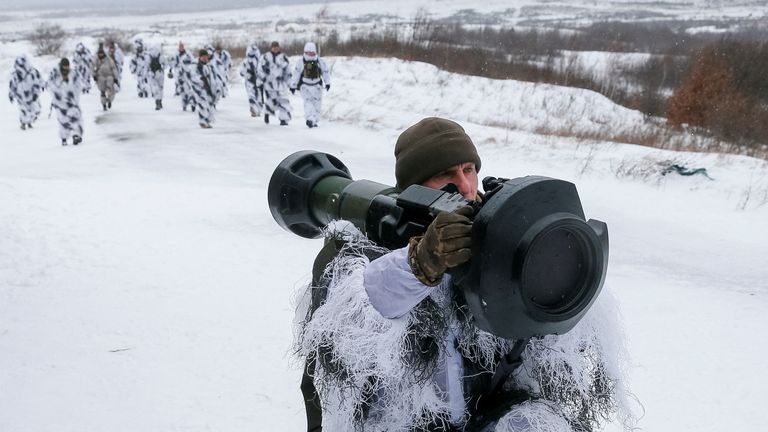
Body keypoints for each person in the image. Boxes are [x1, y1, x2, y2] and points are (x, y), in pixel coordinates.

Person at [294, 117, 632, 431]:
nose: (465, 185)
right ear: (416, 188)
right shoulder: (362, 250)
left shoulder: (496, 232)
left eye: (469, 169)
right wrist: (421, 263)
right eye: (446, 175)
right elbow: (358, 329)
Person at [290, 42, 331, 128]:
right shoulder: (319, 61)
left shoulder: (301, 61)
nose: (310, 55)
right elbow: (325, 72)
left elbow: (296, 74)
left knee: (308, 103)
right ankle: (313, 120)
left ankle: (311, 119)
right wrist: (327, 83)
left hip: (305, 86)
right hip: (316, 87)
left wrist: (293, 85)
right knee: (316, 104)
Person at [47, 58, 84, 146]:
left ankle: (76, 135)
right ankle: (64, 138)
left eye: (67, 66)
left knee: (76, 118)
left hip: (72, 101)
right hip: (60, 102)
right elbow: (49, 85)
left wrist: (74, 93)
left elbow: (79, 85)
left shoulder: (73, 74)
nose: (66, 68)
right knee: (63, 120)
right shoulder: (55, 74)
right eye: (64, 66)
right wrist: (57, 94)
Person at [258, 41, 292, 126]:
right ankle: (267, 113)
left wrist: (290, 82)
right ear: (271, 48)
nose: (275, 49)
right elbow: (259, 69)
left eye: (277, 47)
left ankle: (283, 119)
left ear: (279, 48)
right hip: (269, 83)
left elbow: (288, 70)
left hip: (281, 83)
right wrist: (262, 78)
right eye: (274, 47)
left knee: (284, 101)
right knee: (271, 101)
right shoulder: (266, 57)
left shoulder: (283, 57)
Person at [8, 55, 43, 130]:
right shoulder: (15, 75)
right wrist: (11, 95)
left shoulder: (31, 73)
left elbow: (36, 83)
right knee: (23, 109)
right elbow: (12, 85)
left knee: (33, 109)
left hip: (31, 94)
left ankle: (29, 122)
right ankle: (23, 123)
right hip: (20, 95)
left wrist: (36, 93)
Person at [187, 49, 218, 129]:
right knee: (203, 105)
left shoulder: (208, 66)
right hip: (199, 89)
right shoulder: (195, 65)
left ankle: (206, 121)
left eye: (206, 57)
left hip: (208, 88)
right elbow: (192, 76)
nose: (205, 58)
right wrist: (200, 80)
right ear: (200, 57)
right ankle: (202, 122)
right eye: (203, 57)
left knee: (209, 105)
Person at [239, 42, 263, 118]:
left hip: (258, 81)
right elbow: (241, 72)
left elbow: (263, 71)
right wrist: (247, 74)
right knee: (252, 96)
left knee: (258, 96)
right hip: (249, 80)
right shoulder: (246, 62)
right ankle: (254, 110)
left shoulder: (260, 61)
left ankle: (258, 110)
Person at [169, 42, 196, 112]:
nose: (181, 47)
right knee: (182, 89)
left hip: (188, 73)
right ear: (179, 47)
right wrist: (171, 69)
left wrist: (193, 68)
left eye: (182, 46)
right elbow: (173, 63)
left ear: (184, 47)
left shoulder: (188, 54)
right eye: (180, 46)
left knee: (190, 88)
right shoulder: (176, 54)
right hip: (179, 73)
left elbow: (193, 61)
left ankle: (192, 103)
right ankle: (184, 104)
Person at [92, 44, 119, 111]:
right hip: (100, 77)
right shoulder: (96, 59)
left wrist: (116, 77)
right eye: (99, 53)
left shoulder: (108, 59)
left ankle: (110, 101)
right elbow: (92, 67)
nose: (100, 55)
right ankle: (104, 105)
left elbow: (113, 68)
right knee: (102, 91)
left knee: (111, 91)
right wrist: (94, 75)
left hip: (109, 76)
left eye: (101, 53)